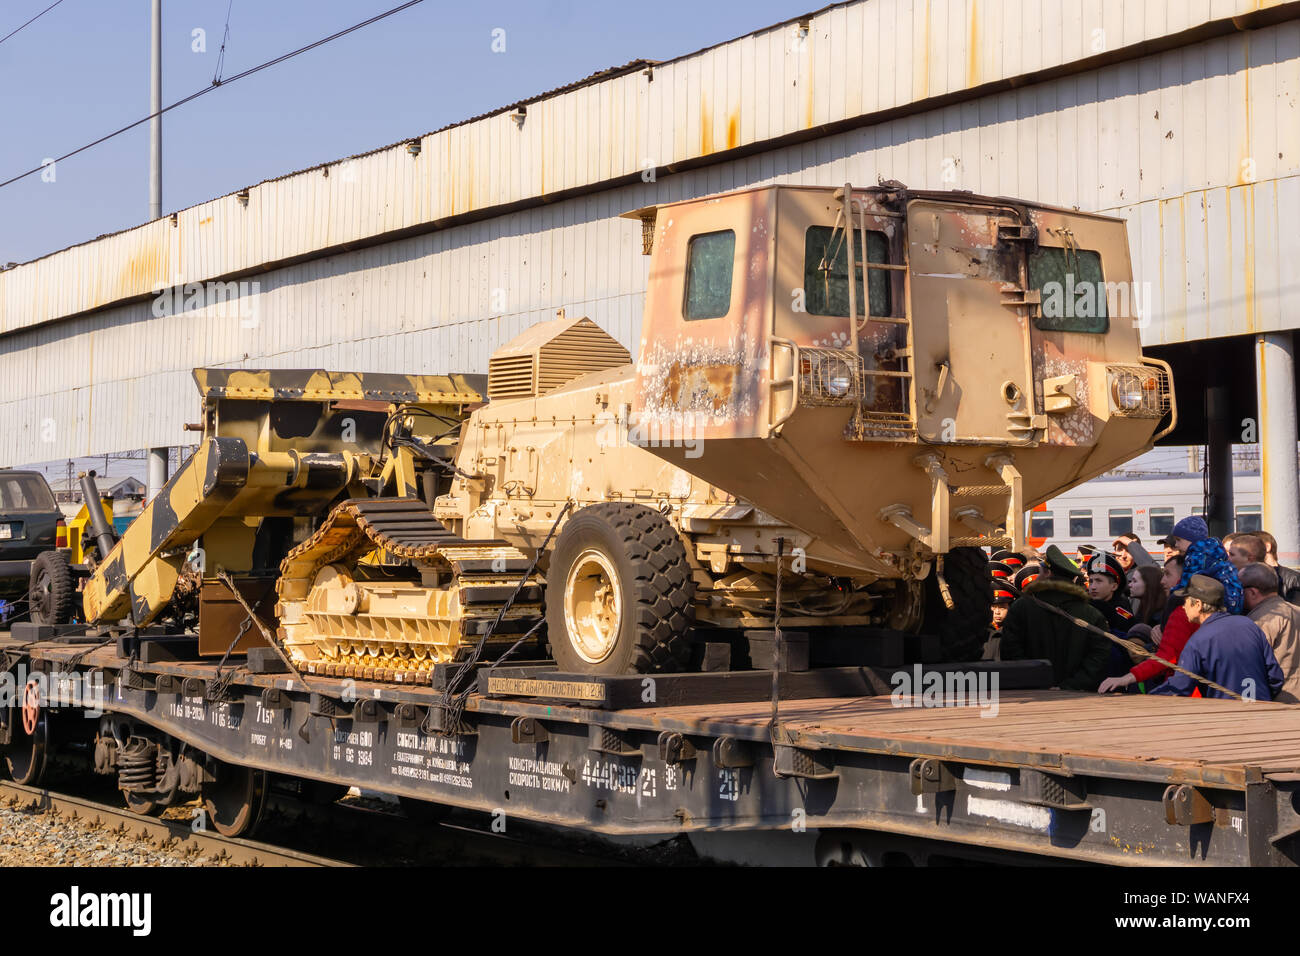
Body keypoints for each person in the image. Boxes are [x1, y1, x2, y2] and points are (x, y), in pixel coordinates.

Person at [1150, 575, 1283, 701]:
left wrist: (1148, 697)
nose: (1183, 607)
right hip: (1263, 713)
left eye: (1185, 602)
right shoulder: (1249, 625)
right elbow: (1275, 677)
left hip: (1227, 716)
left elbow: (1181, 685)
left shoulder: (1198, 641)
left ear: (1198, 604)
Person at [1000, 546, 1111, 691]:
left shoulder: (1021, 608)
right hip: (1080, 697)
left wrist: (1033, 681)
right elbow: (1098, 658)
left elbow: (1010, 651)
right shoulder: (1091, 614)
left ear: (1047, 573)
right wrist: (1071, 685)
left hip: (1030, 693)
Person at [1098, 557, 1199, 694]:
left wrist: (1126, 678)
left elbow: (1167, 656)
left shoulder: (1181, 611)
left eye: (1167, 574)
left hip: (1185, 688)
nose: (1162, 581)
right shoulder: (1177, 609)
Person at [1241, 562, 1300, 703]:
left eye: (1240, 588)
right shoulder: (1296, 611)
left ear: (1252, 592)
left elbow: (1252, 668)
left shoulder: (1261, 620)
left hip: (1280, 702)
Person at [1167, 519, 1244, 615]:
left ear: (1192, 539)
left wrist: (1172, 592)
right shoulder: (1215, 551)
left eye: (1179, 540)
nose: (1176, 544)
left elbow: (1187, 584)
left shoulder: (1196, 556)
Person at [1255, 531, 1300, 605]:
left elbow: (1294, 612)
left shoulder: (1294, 578)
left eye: (1253, 548)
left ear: (1267, 547)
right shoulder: (1249, 577)